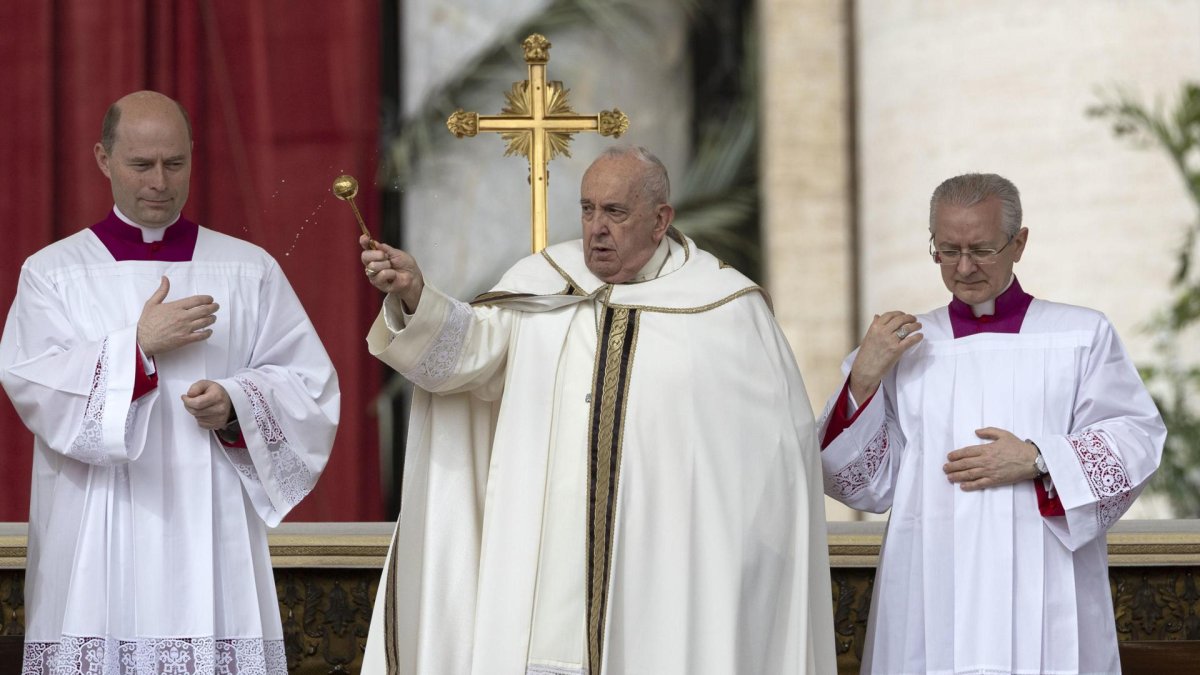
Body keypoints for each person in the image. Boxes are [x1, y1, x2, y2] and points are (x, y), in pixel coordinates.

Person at [358, 146, 835, 674]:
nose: (596, 229)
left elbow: (775, 457)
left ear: (661, 220)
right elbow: (463, 356)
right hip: (544, 573)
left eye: (615, 212)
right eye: (587, 210)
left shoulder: (725, 309)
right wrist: (415, 295)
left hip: (667, 576)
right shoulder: (542, 284)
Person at [0, 90, 339, 673]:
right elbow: (35, 383)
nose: (160, 181)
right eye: (140, 165)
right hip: (97, 532)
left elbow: (309, 384)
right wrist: (137, 347)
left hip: (214, 530)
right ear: (103, 160)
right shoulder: (54, 272)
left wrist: (235, 402)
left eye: (175, 163)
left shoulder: (247, 269)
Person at [819, 173, 1165, 674]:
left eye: (981, 249)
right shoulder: (904, 349)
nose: (964, 267)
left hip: (1042, 575)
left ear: (1019, 243)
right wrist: (862, 381)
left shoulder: (1079, 334)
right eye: (947, 250)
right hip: (932, 577)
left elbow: (1137, 437)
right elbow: (864, 482)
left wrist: (1039, 457)